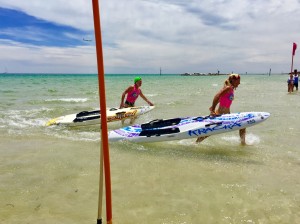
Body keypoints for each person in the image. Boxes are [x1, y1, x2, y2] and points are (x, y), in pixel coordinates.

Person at [196, 73, 246, 145]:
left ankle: (243, 143)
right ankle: (196, 143)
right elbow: (217, 96)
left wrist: (214, 105)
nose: (239, 83)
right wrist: (213, 109)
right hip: (221, 115)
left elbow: (221, 98)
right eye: (238, 81)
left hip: (226, 115)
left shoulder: (230, 88)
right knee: (209, 131)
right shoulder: (228, 88)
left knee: (243, 124)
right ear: (233, 80)